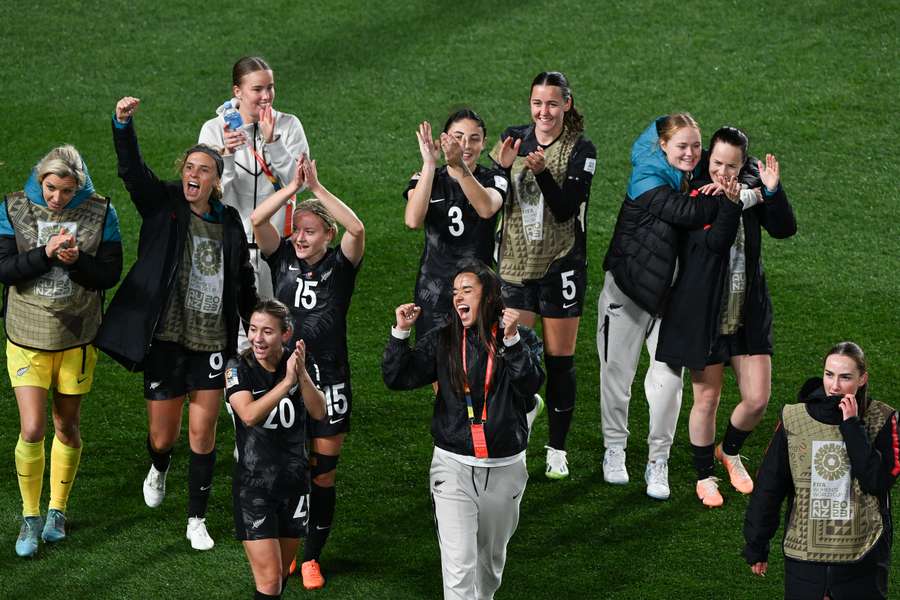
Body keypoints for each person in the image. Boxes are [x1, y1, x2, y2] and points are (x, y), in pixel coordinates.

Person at [96, 96, 258, 550]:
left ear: (216, 181)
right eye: (189, 167)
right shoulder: (163, 204)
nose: (193, 174)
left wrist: (256, 330)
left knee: (203, 434)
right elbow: (132, 173)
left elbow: (241, 282)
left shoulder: (229, 223)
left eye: (204, 169)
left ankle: (196, 519)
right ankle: (159, 465)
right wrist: (122, 126)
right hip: (166, 340)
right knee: (162, 436)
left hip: (210, 341)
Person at [382, 261, 544, 600]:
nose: (458, 297)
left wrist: (512, 342)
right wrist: (400, 333)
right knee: (458, 568)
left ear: (489, 296)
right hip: (452, 465)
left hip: (504, 468)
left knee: (489, 567)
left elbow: (530, 383)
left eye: (467, 290)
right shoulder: (445, 338)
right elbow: (398, 377)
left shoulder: (521, 338)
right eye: (455, 292)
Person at [597, 113, 739, 500]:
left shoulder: (691, 170)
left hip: (669, 301)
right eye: (681, 146)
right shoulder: (648, 176)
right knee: (618, 376)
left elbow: (728, 161)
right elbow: (687, 213)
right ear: (662, 146)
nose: (692, 153)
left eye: (697, 146)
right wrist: (731, 196)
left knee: (668, 385)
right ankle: (615, 450)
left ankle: (656, 461)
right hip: (627, 291)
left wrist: (732, 174)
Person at [656, 127, 796, 507]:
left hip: (747, 311)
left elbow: (785, 228)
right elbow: (714, 245)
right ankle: (705, 475)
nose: (723, 172)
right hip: (705, 314)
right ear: (707, 160)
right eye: (717, 163)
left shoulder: (747, 186)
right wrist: (736, 201)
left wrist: (771, 190)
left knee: (757, 399)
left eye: (731, 166)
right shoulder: (695, 194)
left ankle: (729, 451)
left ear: (744, 164)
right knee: (707, 398)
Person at [0, 145, 122, 557]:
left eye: (66, 191)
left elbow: (109, 273)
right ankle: (30, 515)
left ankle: (57, 509)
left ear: (79, 185)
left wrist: (74, 263)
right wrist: (45, 254)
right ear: (40, 180)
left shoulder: (102, 212)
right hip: (27, 335)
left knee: (66, 425)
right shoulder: (13, 207)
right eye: (50, 189)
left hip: (76, 337)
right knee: (33, 427)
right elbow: (4, 270)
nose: (56, 198)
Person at [250, 154, 364, 589]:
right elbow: (258, 218)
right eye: (297, 229)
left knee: (323, 470)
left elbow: (357, 229)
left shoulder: (341, 265)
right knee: (289, 467)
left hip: (330, 376)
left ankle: (312, 557)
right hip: (285, 379)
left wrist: (316, 189)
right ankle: (291, 545)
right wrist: (291, 193)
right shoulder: (280, 257)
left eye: (309, 231)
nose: (299, 237)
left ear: (326, 236)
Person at [489, 71, 596, 479]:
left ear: (566, 104)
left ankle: (556, 448)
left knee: (559, 362)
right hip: (515, 266)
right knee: (515, 356)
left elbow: (567, 207)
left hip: (561, 266)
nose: (544, 111)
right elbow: (495, 191)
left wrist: (543, 173)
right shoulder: (513, 138)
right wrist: (498, 168)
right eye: (537, 103)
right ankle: (513, 438)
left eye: (552, 103)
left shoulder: (581, 148)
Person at [743, 342, 898, 600]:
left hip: (862, 555)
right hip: (805, 557)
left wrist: (851, 426)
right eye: (829, 374)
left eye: (845, 377)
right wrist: (756, 544)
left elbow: (876, 481)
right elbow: (770, 485)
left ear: (863, 379)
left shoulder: (883, 419)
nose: (835, 386)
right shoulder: (794, 419)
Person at [225, 300, 326, 599]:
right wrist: (286, 383)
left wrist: (303, 374)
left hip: (294, 485)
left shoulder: (301, 363)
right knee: (269, 582)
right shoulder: (238, 367)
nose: (257, 338)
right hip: (254, 488)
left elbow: (319, 411)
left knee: (279, 578)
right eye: (254, 329)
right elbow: (248, 414)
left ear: (286, 334)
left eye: (267, 331)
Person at [199, 56, 311, 304]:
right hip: (230, 250)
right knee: (236, 336)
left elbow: (300, 183)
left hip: (277, 252)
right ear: (237, 92)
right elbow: (209, 196)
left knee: (279, 328)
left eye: (270, 87)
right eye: (257, 89)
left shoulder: (289, 125)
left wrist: (274, 144)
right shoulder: (214, 130)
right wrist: (225, 156)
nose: (266, 96)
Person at [403, 109, 507, 338]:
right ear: (444, 140)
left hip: (478, 291)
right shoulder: (425, 178)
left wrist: (460, 168)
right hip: (433, 290)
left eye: (474, 139)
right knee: (431, 365)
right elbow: (412, 220)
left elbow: (487, 208)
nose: (465, 145)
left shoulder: (494, 179)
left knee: (475, 364)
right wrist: (429, 164)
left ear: (484, 143)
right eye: (458, 137)